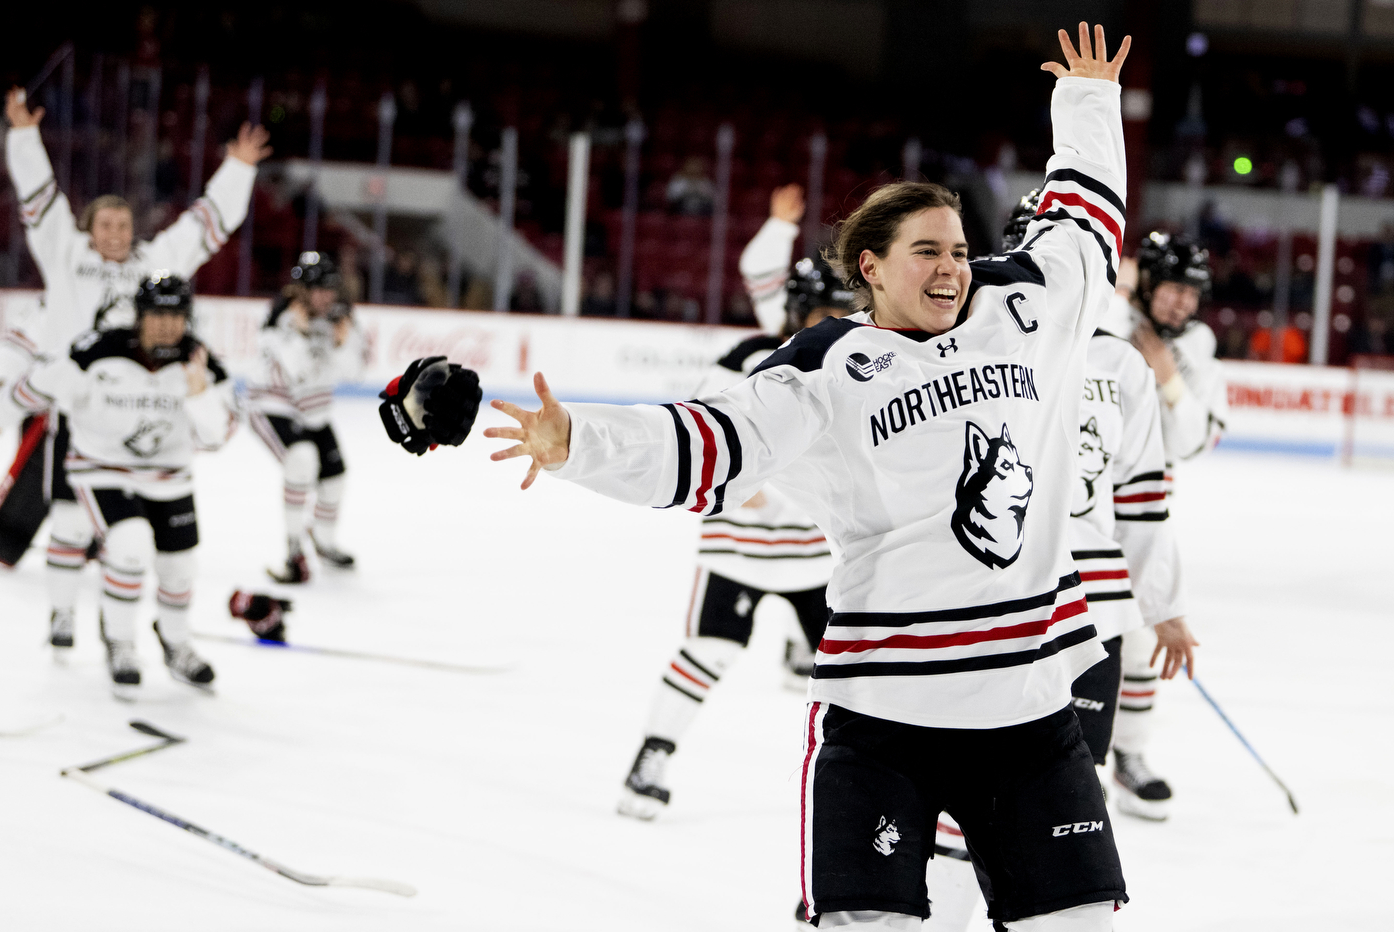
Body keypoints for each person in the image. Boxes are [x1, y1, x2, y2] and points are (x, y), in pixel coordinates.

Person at [455, 25, 1131, 930]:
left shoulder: (1022, 310)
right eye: (926, 251)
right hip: (885, 720)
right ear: (870, 267)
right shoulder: (822, 366)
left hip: (1030, 714)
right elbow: (708, 445)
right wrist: (574, 440)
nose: (952, 268)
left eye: (960, 249)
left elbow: (1085, 224)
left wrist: (1086, 102)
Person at [924, 197, 1201, 929]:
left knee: (1073, 787)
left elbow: (1143, 496)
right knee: (970, 777)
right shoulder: (958, 348)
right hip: (992, 603)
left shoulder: (1123, 366)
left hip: (1089, 610)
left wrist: (1163, 605)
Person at [0, 86, 266, 653]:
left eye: (124, 225)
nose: (116, 234)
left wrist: (236, 172)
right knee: (68, 522)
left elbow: (202, 228)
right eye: (105, 225)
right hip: (77, 406)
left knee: (131, 530)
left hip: (135, 410)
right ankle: (63, 615)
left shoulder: (153, 265)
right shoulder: (66, 257)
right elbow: (40, 199)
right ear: (88, 228)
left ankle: (125, 599)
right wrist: (23, 135)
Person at [618, 185, 856, 821]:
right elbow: (700, 428)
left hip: (816, 554)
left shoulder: (859, 364)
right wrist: (730, 478)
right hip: (741, 547)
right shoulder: (751, 359)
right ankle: (652, 755)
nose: (837, 324)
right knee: (709, 651)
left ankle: (862, 805)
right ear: (795, 312)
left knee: (858, 682)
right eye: (823, 313)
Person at [0, 273, 234, 694]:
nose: (166, 325)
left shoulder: (201, 363)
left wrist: (198, 394)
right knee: (130, 543)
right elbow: (40, 385)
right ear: (139, 316)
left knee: (178, 568)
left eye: (175, 316)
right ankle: (120, 641)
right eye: (157, 315)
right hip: (101, 471)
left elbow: (217, 436)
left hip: (168, 479)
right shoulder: (97, 351)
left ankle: (177, 644)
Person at [1099, 231, 1222, 818]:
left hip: (1149, 508)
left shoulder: (1197, 345)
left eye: (1191, 292)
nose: (1181, 303)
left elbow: (1194, 440)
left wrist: (1167, 376)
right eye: (1172, 287)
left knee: (1144, 638)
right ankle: (1076, 760)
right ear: (1145, 282)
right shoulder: (1106, 318)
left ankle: (1131, 756)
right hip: (1087, 505)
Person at [246, 252, 366, 583]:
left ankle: (324, 542)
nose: (326, 296)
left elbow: (355, 373)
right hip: (272, 406)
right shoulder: (280, 318)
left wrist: (342, 342)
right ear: (301, 290)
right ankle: (293, 552)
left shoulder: (342, 320)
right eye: (318, 289)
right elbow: (295, 369)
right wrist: (299, 333)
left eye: (330, 289)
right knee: (301, 460)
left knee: (335, 479)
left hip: (314, 410)